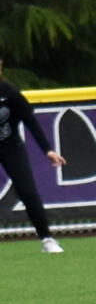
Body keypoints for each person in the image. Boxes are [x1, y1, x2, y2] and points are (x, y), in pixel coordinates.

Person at [0, 59, 66, 253]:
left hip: (11, 147)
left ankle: (47, 239)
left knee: (27, 191)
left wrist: (48, 150)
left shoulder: (10, 93)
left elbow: (30, 121)